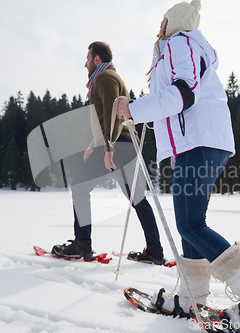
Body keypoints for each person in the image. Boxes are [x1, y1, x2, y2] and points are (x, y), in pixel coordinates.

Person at [116, 0, 240, 329]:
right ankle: (192, 299)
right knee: (190, 225)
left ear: (174, 22)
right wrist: (143, 108)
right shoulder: (177, 48)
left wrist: (133, 109)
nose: (158, 28)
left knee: (191, 225)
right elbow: (177, 96)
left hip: (200, 142)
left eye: (162, 22)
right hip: (198, 143)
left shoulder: (181, 43)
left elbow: (182, 94)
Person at [52, 42, 165, 265]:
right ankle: (155, 251)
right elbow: (106, 118)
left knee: (79, 187)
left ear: (97, 59)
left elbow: (112, 111)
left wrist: (108, 147)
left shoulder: (105, 78)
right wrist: (96, 144)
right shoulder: (109, 77)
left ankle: (82, 244)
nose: (85, 63)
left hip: (118, 145)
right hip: (126, 144)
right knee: (138, 199)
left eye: (87, 58)